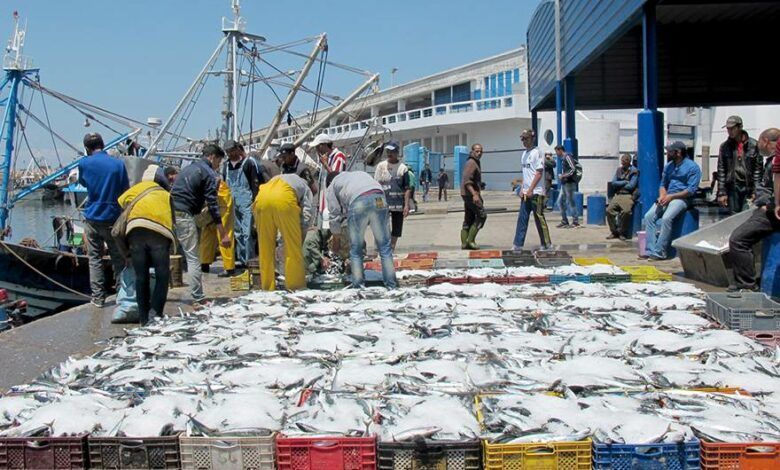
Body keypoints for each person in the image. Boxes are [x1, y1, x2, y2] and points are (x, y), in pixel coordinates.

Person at [117, 165, 176, 325]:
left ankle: (143, 318)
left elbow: (121, 202)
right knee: (162, 274)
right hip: (159, 233)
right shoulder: (165, 194)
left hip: (135, 231)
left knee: (141, 276)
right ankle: (155, 314)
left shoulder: (135, 189)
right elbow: (172, 218)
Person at [170, 144, 229, 302]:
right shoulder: (208, 172)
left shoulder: (190, 168)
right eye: (219, 161)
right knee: (193, 257)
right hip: (184, 214)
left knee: (172, 254)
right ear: (213, 157)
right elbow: (213, 205)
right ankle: (198, 297)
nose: (218, 166)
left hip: (172, 212)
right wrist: (223, 233)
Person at [78, 132, 130, 307]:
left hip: (92, 216)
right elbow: (125, 189)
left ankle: (98, 298)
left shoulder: (84, 163)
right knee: (119, 259)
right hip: (113, 217)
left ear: (87, 148)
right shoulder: (118, 164)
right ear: (103, 144)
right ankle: (121, 295)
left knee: (94, 258)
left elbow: (83, 183)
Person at [728, 128, 780, 292]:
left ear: (765, 141)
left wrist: (771, 205)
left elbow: (775, 182)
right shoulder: (770, 161)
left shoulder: (775, 160)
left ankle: (747, 285)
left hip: (773, 211)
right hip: (768, 205)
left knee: (738, 240)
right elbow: (764, 187)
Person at [326, 171, 397, 289]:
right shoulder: (356, 175)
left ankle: (358, 285)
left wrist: (336, 239)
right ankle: (391, 285)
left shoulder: (332, 186)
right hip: (379, 198)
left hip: (359, 201)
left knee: (356, 249)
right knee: (384, 247)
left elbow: (334, 215)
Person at [641, 141, 702, 261]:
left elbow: (691, 190)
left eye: (670, 151)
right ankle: (650, 250)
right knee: (649, 217)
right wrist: (662, 196)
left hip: (682, 198)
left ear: (678, 153)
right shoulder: (669, 166)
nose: (667, 153)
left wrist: (672, 197)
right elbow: (663, 184)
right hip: (668, 196)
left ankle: (660, 252)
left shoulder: (693, 168)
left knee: (666, 218)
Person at [254, 173, 314, 291]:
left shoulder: (278, 178)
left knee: (265, 248)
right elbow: (307, 213)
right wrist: (300, 235)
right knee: (293, 248)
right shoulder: (305, 187)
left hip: (260, 199)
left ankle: (267, 287)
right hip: (283, 198)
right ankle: (295, 286)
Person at [513, 130, 552, 250]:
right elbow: (526, 173)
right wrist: (523, 188)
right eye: (523, 139)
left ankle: (546, 244)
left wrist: (531, 189)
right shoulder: (524, 154)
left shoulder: (537, 152)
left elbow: (539, 173)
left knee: (539, 218)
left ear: (532, 138)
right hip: (526, 193)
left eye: (526, 138)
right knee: (522, 218)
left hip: (536, 193)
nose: (524, 141)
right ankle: (518, 244)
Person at [717, 115, 762, 214]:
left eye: (732, 128)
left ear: (740, 127)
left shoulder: (754, 145)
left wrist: (756, 190)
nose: (729, 131)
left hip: (748, 187)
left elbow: (758, 170)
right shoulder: (724, 146)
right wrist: (721, 192)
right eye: (728, 129)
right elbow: (721, 170)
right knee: (733, 217)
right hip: (732, 187)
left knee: (748, 216)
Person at [224, 140, 257, 267]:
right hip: (232, 202)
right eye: (227, 152)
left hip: (247, 201)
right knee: (237, 233)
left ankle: (250, 260)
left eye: (231, 150)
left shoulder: (248, 163)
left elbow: (255, 184)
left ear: (238, 149)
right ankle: (242, 260)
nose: (230, 154)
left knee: (247, 232)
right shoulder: (226, 166)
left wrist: (254, 201)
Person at [374, 141, 412, 251]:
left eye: (392, 151)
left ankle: (392, 248)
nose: (389, 154)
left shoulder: (403, 168)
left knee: (397, 227)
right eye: (388, 151)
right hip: (383, 202)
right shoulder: (381, 166)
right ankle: (381, 247)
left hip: (398, 204)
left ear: (397, 153)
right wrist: (377, 204)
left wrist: (406, 206)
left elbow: (407, 188)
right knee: (382, 226)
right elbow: (376, 186)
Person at [199, 178, 236, 277]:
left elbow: (216, 179)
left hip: (221, 198)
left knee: (224, 233)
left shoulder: (196, 177)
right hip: (212, 196)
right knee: (207, 231)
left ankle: (229, 268)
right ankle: (204, 263)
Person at [606, 154, 639, 241]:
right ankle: (614, 231)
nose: (622, 163)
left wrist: (619, 184)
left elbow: (631, 186)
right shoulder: (619, 170)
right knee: (609, 210)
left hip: (627, 195)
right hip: (618, 194)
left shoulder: (634, 171)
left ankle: (622, 232)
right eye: (622, 161)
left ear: (629, 161)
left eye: (624, 161)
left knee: (626, 211)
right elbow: (613, 183)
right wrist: (624, 182)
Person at [461, 144, 487, 250]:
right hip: (470, 195)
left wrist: (480, 185)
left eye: (481, 151)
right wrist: (475, 194)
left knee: (469, 218)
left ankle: (464, 243)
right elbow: (467, 181)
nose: (479, 153)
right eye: (477, 151)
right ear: (472, 152)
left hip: (467, 194)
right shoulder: (471, 163)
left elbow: (472, 180)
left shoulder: (474, 162)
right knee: (482, 215)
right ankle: (470, 241)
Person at [555, 145, 580, 228]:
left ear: (560, 150)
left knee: (571, 202)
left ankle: (575, 221)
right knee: (560, 202)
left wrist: (563, 175)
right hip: (565, 183)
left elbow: (573, 169)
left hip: (569, 183)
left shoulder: (568, 157)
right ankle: (564, 220)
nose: (556, 154)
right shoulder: (563, 159)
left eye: (557, 151)